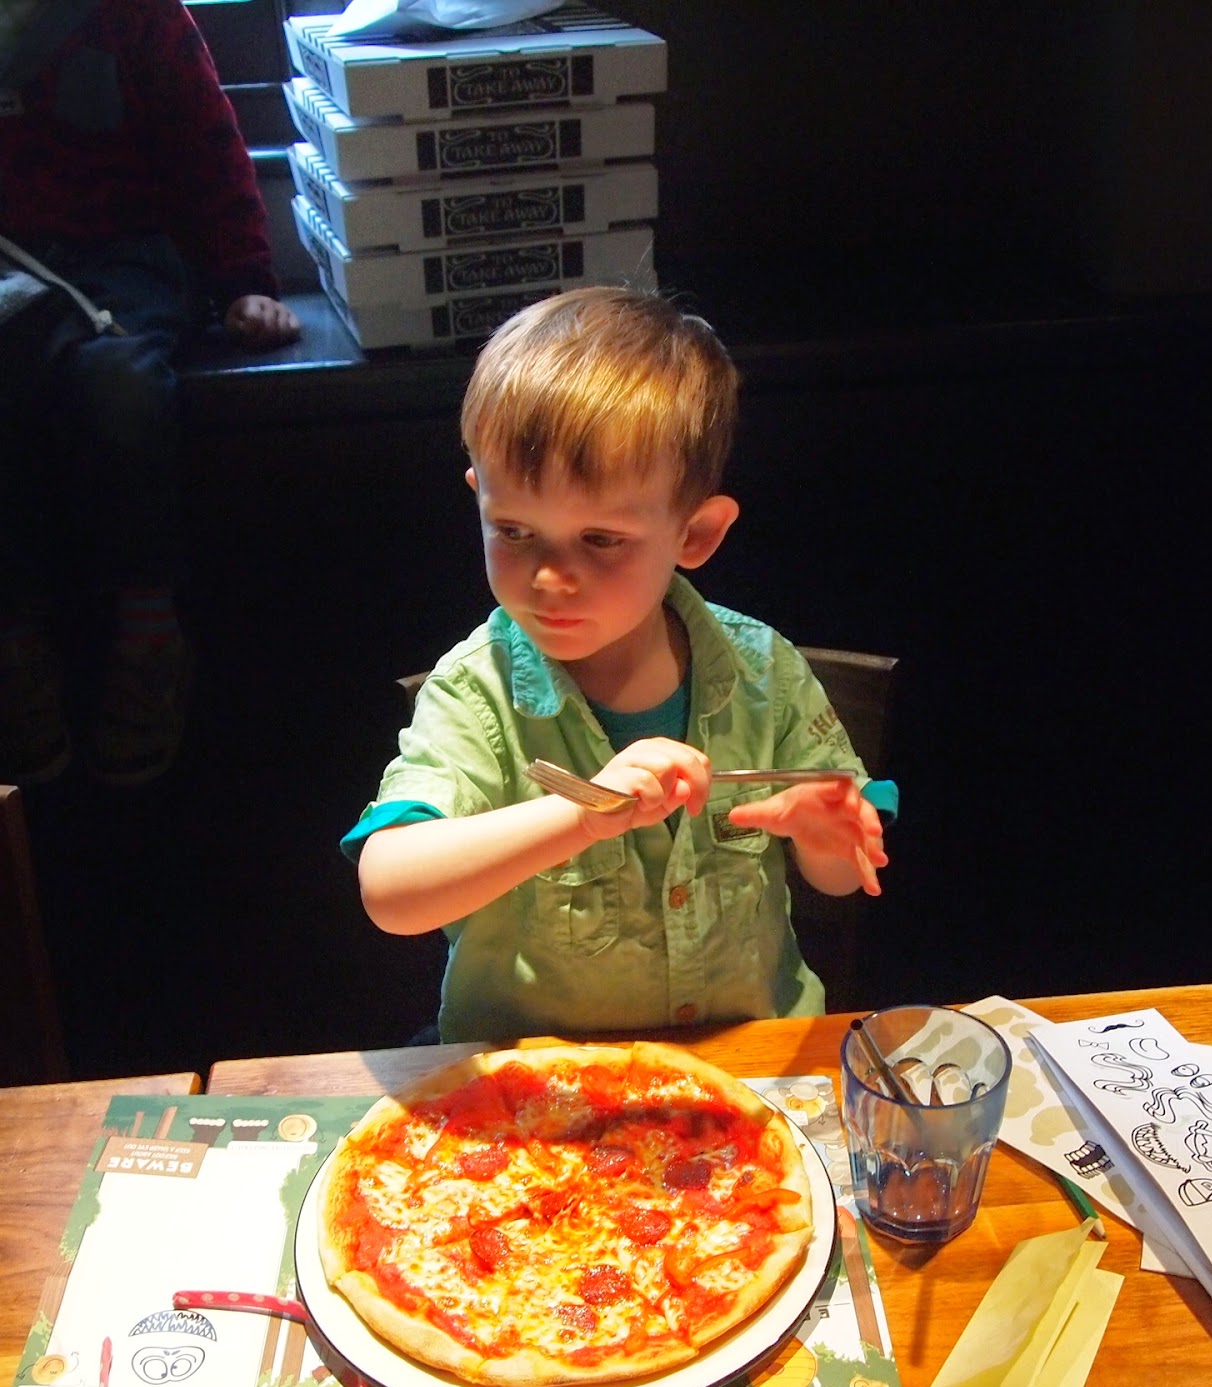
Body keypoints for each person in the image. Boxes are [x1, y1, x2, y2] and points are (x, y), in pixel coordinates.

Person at [342, 285, 897, 1043]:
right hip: (539, 1082)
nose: (548, 578)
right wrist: (581, 812)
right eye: (513, 530)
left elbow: (842, 875)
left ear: (695, 535)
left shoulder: (765, 671)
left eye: (601, 540)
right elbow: (391, 892)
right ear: (479, 499)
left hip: (743, 1067)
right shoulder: (476, 693)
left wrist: (827, 838)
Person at [0, 0, 301, 787]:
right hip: (9, 265)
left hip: (124, 258)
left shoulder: (136, 15)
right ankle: (16, 642)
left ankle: (148, 634)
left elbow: (207, 148)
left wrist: (244, 281)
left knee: (119, 388)